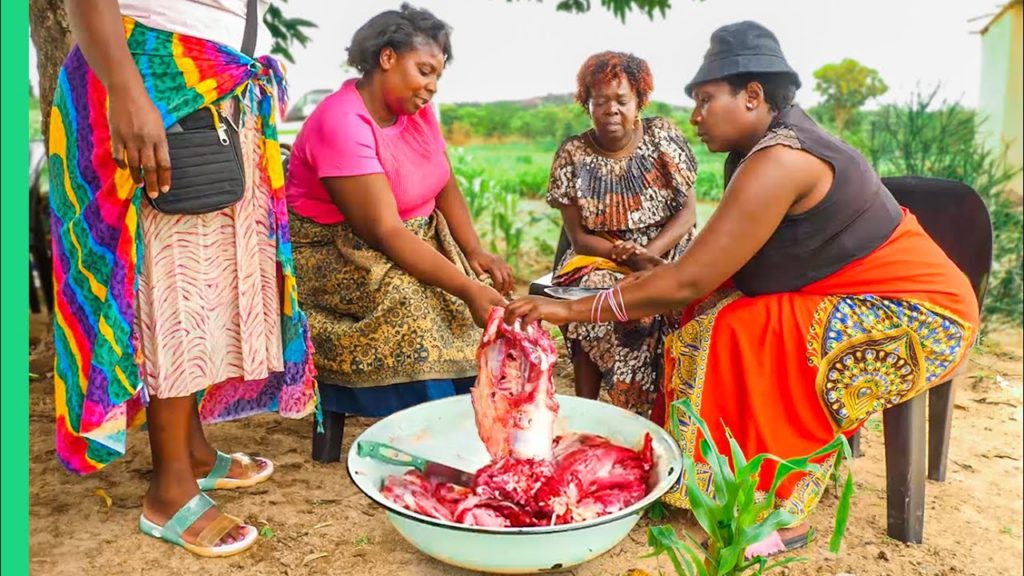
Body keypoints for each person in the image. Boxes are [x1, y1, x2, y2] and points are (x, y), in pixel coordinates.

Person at [504, 21, 979, 559]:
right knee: (701, 319)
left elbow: (690, 277)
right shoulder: (759, 153)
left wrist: (570, 311)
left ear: (752, 96)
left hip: (921, 315)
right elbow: (716, 266)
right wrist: (654, 282)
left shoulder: (781, 160)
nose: (695, 116)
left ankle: (779, 508)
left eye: (706, 100)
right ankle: (714, 473)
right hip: (852, 292)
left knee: (748, 331)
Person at [48, 0, 318, 557]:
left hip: (207, 91)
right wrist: (126, 91)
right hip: (153, 86)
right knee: (171, 290)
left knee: (205, 285)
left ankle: (191, 449)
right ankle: (170, 491)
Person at [285, 4, 511, 438]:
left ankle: (467, 420)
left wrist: (474, 251)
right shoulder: (340, 122)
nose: (431, 88)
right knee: (417, 307)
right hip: (340, 257)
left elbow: (444, 183)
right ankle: (430, 429)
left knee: (476, 309)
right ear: (387, 57)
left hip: (414, 243)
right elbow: (382, 231)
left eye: (438, 77)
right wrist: (465, 287)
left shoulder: (416, 112)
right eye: (424, 70)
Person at [547, 51, 697, 417]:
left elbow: (687, 214)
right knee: (614, 303)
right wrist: (627, 256)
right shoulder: (573, 153)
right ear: (588, 104)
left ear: (639, 102)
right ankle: (595, 408)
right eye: (600, 101)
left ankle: (655, 409)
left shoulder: (663, 137)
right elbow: (579, 238)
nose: (611, 110)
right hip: (597, 256)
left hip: (668, 249)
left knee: (671, 299)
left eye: (622, 100)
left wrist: (649, 256)